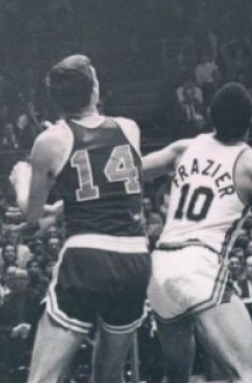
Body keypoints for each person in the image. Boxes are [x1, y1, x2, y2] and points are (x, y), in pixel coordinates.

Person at [138, 83, 252, 383]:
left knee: (177, 376)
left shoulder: (185, 147)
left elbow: (124, 176)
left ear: (210, 116)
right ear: (251, 120)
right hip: (200, 263)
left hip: (161, 266)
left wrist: (61, 206)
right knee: (248, 374)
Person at [8, 55, 150, 383]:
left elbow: (31, 215)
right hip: (135, 258)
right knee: (109, 375)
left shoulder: (49, 142)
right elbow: (109, 185)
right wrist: (62, 208)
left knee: (42, 377)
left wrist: (21, 179)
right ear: (95, 89)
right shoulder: (129, 128)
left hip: (87, 257)